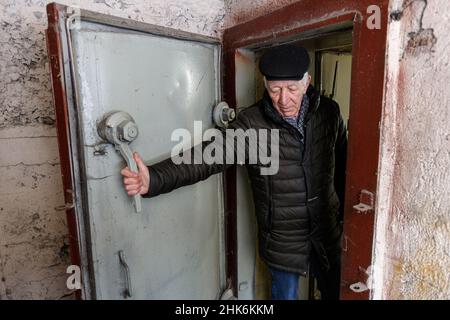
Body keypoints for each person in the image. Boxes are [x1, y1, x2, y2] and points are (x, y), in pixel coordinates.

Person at [121, 44, 347, 300]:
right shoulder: (254, 124)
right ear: (265, 84)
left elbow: (344, 165)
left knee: (338, 292)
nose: (284, 100)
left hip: (327, 232)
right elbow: (208, 156)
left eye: (292, 89)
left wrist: (346, 215)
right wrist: (155, 178)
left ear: (307, 83)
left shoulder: (329, 113)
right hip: (283, 240)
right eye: (275, 90)